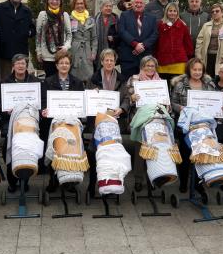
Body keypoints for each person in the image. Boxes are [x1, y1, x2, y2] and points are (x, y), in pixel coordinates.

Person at [87, 48, 129, 197]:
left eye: (112, 60)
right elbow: (88, 100)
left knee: (113, 152)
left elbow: (126, 99)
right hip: (97, 121)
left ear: (115, 61)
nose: (109, 62)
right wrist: (93, 95)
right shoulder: (94, 78)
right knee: (94, 151)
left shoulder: (122, 79)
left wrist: (121, 109)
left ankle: (114, 184)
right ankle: (92, 184)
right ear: (102, 61)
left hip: (115, 120)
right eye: (106, 60)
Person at [41, 50, 85, 191]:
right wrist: (44, 110)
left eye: (67, 63)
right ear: (56, 65)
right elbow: (43, 101)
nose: (64, 65)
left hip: (72, 122)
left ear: (70, 65)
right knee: (55, 147)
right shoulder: (48, 82)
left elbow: (82, 103)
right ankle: (53, 179)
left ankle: (70, 179)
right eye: (61, 63)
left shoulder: (77, 83)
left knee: (71, 148)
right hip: (54, 122)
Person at [170, 58, 214, 194]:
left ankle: (197, 182)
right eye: (194, 69)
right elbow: (172, 103)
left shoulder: (209, 85)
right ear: (189, 70)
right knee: (186, 154)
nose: (197, 72)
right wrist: (181, 108)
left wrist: (221, 108)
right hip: (186, 126)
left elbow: (215, 102)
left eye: (200, 69)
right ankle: (183, 182)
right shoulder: (180, 85)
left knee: (201, 153)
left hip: (203, 125)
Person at [125, 55, 165, 191]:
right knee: (141, 148)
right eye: (147, 65)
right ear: (142, 67)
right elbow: (127, 99)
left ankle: (153, 176)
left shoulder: (161, 82)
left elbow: (167, 105)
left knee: (157, 146)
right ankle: (138, 178)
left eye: (152, 66)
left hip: (156, 118)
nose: (150, 68)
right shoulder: (134, 79)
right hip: (140, 118)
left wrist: (166, 104)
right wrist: (132, 98)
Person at [2, 54, 42, 193]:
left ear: (26, 66)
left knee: (29, 145)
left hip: (29, 119)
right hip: (10, 120)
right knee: (10, 144)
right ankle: (12, 181)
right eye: (18, 63)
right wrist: (6, 111)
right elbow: (0, 105)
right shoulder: (5, 83)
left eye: (23, 63)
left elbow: (40, 104)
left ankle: (25, 178)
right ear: (13, 66)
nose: (20, 66)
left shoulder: (35, 82)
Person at [0, 0, 36, 81]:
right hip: (4, 52)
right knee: (5, 79)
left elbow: (33, 29)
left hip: (21, 52)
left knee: (21, 78)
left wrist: (27, 33)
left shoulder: (27, 11)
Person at [117, 0, 158, 80]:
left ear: (144, 4)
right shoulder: (124, 15)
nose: (138, 5)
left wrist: (143, 45)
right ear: (132, 3)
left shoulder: (152, 18)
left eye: (141, 3)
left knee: (145, 86)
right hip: (128, 58)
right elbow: (122, 31)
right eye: (136, 2)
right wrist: (135, 44)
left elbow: (154, 34)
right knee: (127, 85)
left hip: (145, 59)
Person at [195, 3, 223, 78]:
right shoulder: (206, 25)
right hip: (207, 57)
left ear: (222, 12)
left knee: (220, 78)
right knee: (207, 78)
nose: (214, 13)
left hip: (222, 58)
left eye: (217, 11)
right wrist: (199, 56)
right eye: (212, 11)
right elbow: (199, 41)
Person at [35, 0, 72, 77]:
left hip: (61, 55)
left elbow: (69, 34)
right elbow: (38, 35)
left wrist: (66, 47)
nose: (54, 1)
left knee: (62, 79)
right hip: (47, 55)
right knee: (49, 80)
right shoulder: (42, 14)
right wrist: (38, 52)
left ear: (60, 2)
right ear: (48, 0)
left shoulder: (65, 15)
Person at [154, 2, 194, 82]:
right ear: (166, 12)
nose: (172, 13)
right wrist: (155, 56)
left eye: (174, 11)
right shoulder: (160, 25)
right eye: (170, 11)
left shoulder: (183, 25)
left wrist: (190, 56)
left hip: (179, 61)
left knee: (178, 86)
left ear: (177, 12)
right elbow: (156, 43)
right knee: (165, 87)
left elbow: (188, 43)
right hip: (163, 61)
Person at [69, 0, 97, 83]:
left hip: (87, 52)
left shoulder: (91, 20)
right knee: (74, 77)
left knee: (88, 77)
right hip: (75, 51)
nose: (80, 6)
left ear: (85, 5)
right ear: (74, 5)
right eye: (77, 4)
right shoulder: (70, 19)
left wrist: (93, 53)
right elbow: (68, 37)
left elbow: (94, 38)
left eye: (81, 3)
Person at [95, 0, 119, 68]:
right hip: (98, 49)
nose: (109, 8)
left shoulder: (116, 19)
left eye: (110, 6)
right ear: (101, 8)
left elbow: (121, 35)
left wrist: (114, 38)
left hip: (111, 49)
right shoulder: (95, 19)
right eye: (106, 6)